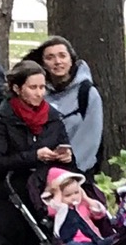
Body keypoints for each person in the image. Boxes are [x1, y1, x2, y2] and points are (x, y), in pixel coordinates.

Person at [0, 58, 75, 245]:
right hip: (7, 202)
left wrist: (65, 157)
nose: (39, 93)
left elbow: (65, 151)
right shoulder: (0, 121)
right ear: (17, 89)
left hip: (41, 199)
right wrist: (33, 156)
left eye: (42, 87)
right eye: (33, 88)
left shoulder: (53, 118)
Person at [28, 35, 106, 174]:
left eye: (62, 56)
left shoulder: (87, 93)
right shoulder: (39, 93)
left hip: (76, 172)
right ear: (43, 63)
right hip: (42, 171)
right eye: (50, 57)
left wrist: (70, 170)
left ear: (71, 60)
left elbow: (90, 139)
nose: (57, 62)